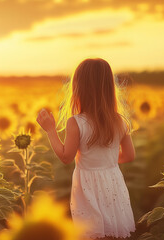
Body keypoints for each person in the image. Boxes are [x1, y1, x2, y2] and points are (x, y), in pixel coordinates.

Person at [36, 58, 136, 239]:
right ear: (109, 88)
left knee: (90, 232)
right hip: (113, 182)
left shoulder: (76, 122)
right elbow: (129, 156)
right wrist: (108, 161)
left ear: (78, 88)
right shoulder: (119, 120)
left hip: (88, 187)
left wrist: (51, 130)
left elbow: (66, 157)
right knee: (111, 232)